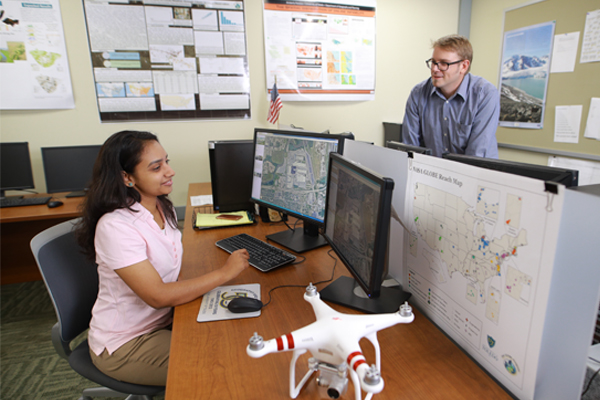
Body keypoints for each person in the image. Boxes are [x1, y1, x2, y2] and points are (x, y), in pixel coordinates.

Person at [76, 130, 250, 386]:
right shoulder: (116, 226)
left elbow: (170, 268)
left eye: (166, 161)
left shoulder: (160, 206)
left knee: (236, 339)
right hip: (128, 342)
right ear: (127, 177)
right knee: (223, 367)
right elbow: (157, 296)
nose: (170, 171)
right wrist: (223, 273)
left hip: (166, 320)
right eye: (157, 167)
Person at [402, 34, 500, 158]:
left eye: (444, 63)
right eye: (433, 62)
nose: (435, 69)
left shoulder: (485, 94)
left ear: (463, 66)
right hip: (432, 173)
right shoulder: (418, 94)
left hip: (473, 173)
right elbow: (410, 150)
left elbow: (477, 155)